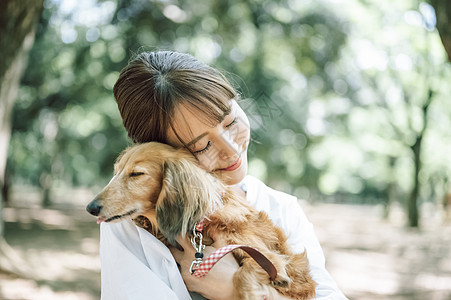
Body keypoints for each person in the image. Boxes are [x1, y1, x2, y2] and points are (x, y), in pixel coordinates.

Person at [99, 50, 348, 300]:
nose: (231, 150)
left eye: (230, 121)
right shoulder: (134, 217)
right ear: (160, 153)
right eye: (201, 146)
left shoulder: (282, 208)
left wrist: (233, 290)